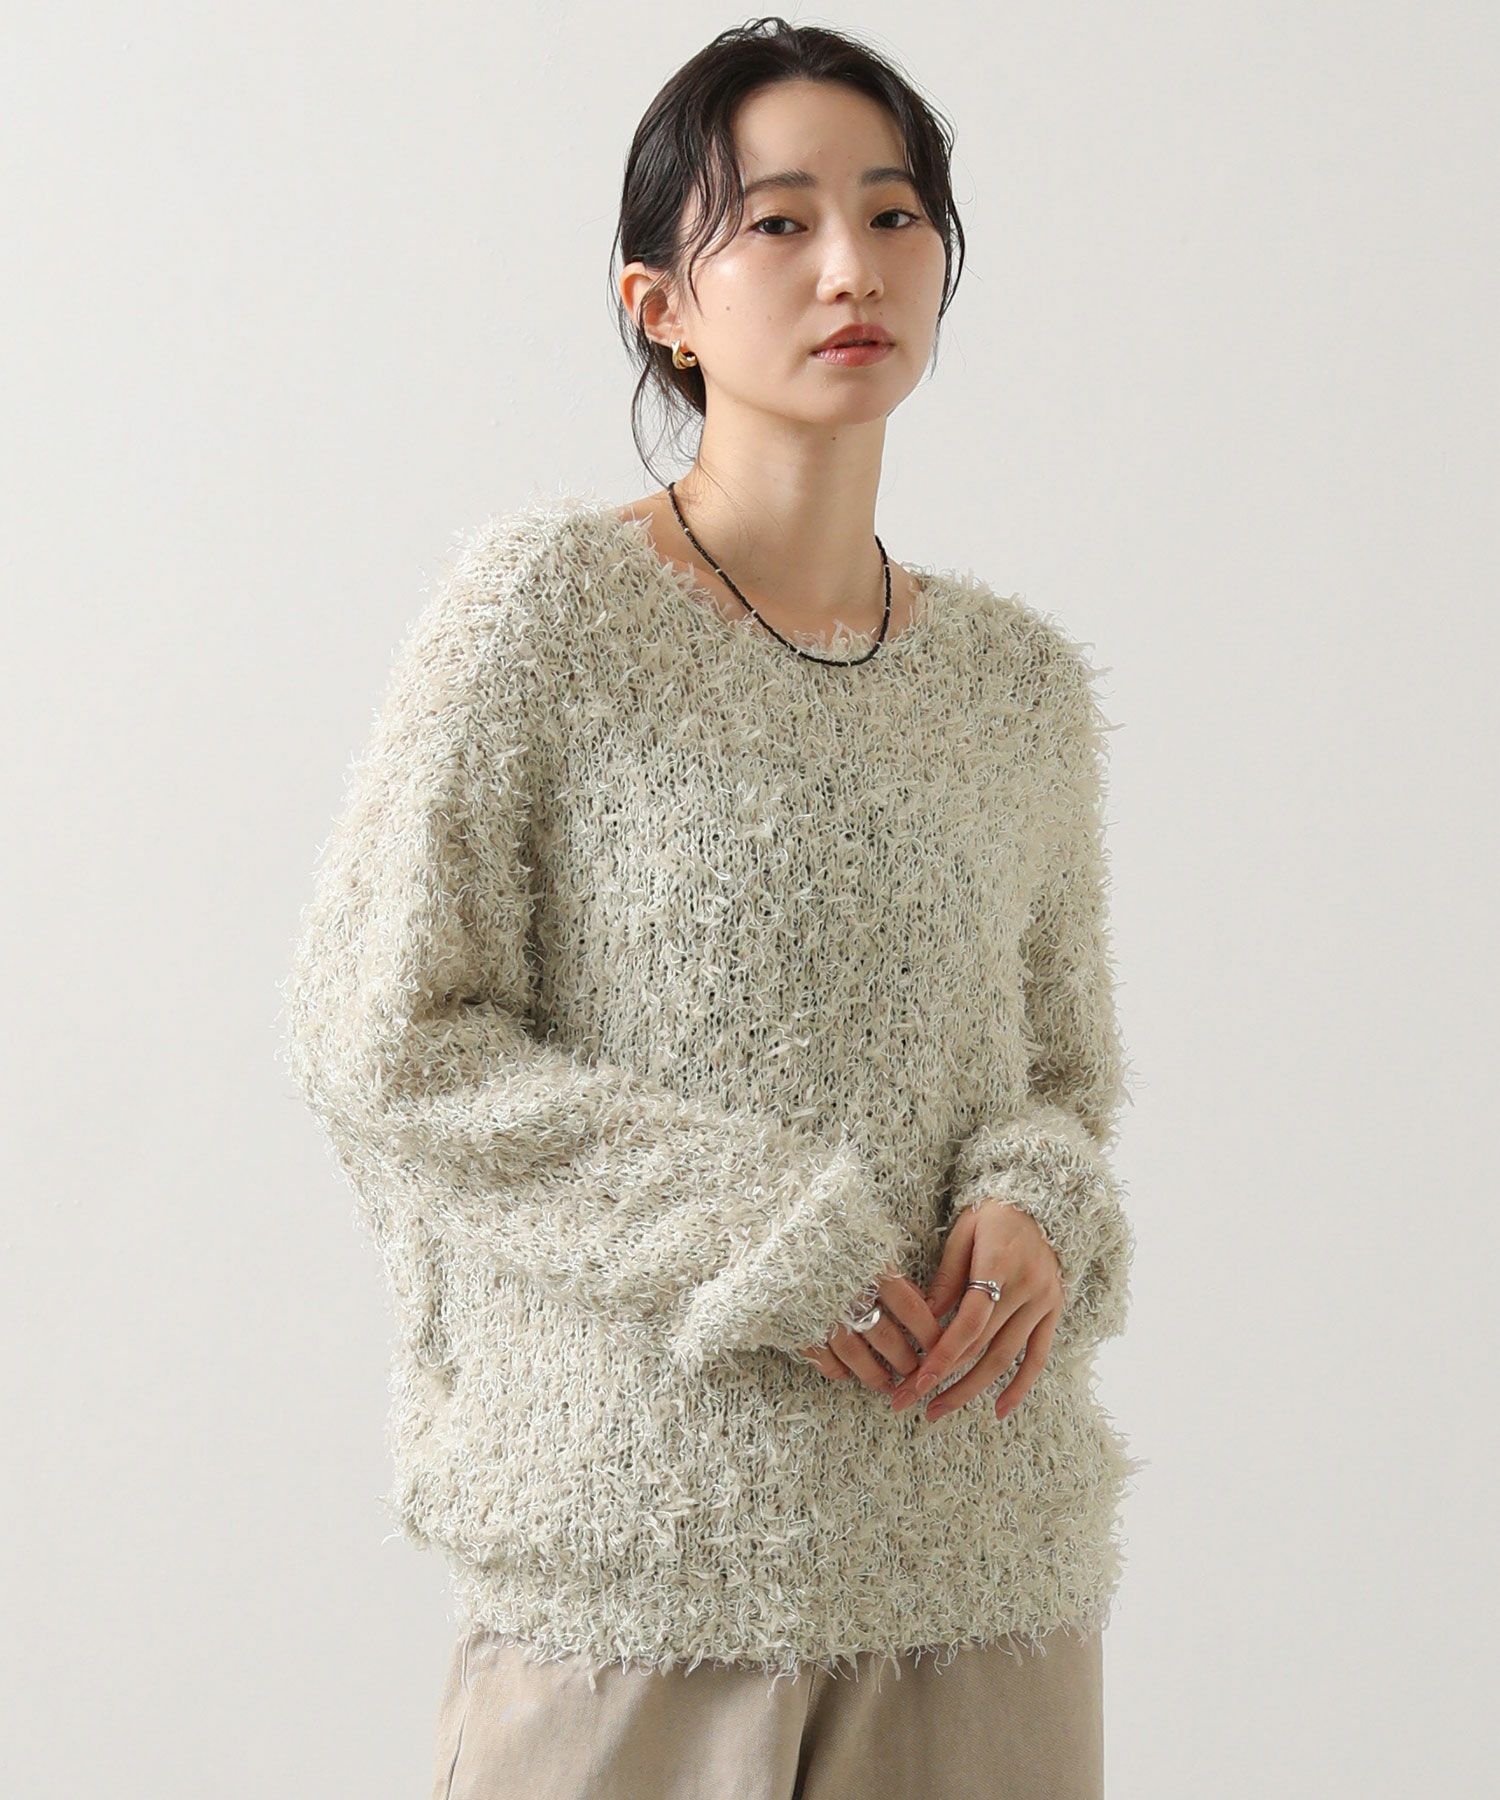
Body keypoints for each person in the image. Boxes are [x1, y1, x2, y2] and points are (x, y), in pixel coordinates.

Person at [279, 17, 1142, 1799]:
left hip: (980, 1581)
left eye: (895, 216)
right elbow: (386, 1038)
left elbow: (1063, 1074)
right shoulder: (547, 615)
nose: (852, 268)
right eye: (778, 222)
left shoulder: (1017, 687)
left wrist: (1036, 1197)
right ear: (660, 301)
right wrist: (755, 1230)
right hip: (636, 1589)